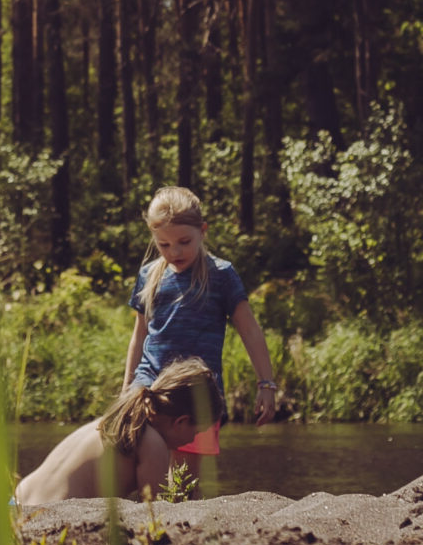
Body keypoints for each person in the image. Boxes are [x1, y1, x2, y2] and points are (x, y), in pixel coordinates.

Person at [119, 187, 279, 456]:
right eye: (164, 245)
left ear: (202, 231)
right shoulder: (149, 275)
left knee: (186, 482)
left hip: (198, 392)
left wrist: (266, 384)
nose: (175, 251)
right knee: (136, 454)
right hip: (150, 384)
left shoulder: (221, 275)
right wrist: (127, 388)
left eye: (184, 241)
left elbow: (249, 331)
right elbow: (139, 336)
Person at [16, 359, 218, 503]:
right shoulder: (152, 442)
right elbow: (156, 512)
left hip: (17, 501)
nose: (195, 438)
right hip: (47, 513)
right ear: (181, 421)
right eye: (198, 431)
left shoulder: (118, 420)